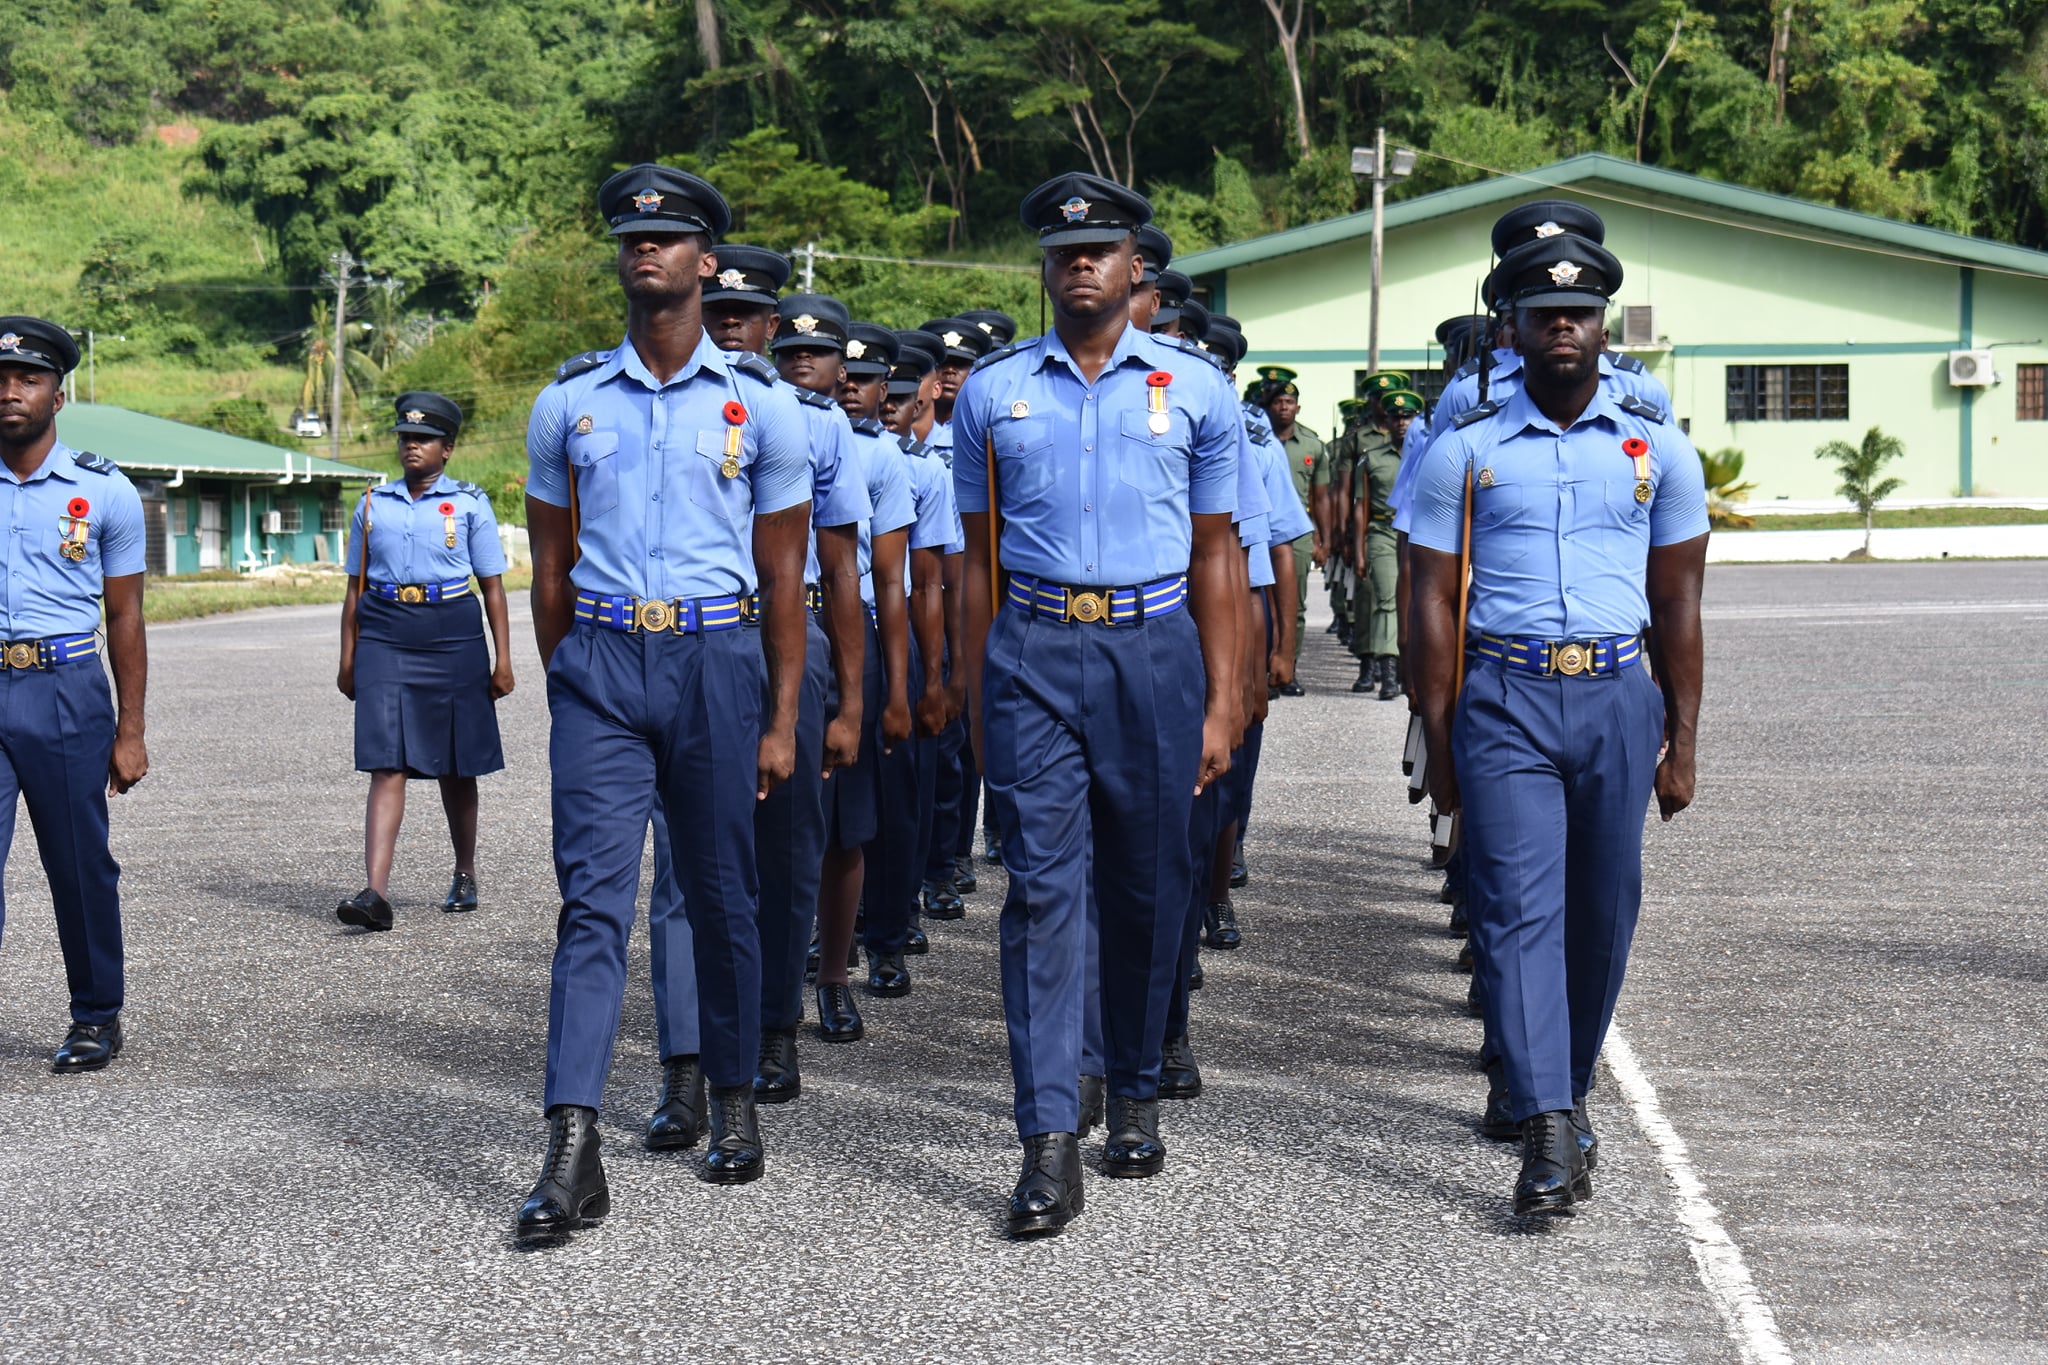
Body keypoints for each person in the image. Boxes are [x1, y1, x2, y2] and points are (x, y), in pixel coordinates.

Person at [517, 164, 814, 1236]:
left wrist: (781, 717)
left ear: (705, 262)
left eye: (667, 237)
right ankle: (569, 1144)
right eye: (630, 236)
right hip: (601, 664)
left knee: (721, 890)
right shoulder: (568, 402)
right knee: (590, 904)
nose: (644, 249)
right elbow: (550, 571)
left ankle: (731, 1100)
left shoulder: (761, 407)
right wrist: (570, 676)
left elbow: (784, 578)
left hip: (715, 662)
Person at [954, 172, 1240, 1238]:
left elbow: (1216, 558)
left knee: (1146, 883)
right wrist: (982, 683)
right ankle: (1043, 1136)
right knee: (1038, 889)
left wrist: (1220, 702)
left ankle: (1127, 1088)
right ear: (1045, 265)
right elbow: (976, 561)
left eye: (1101, 248)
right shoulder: (989, 392)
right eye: (1063, 249)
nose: (1081, 263)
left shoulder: (1197, 391)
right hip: (1030, 645)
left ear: (1133, 268)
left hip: (1153, 645)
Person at [1406, 229, 1707, 1217]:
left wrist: (1682, 738)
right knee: (1511, 907)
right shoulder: (1465, 449)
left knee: (1602, 910)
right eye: (1544, 314)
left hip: (1618, 695)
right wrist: (1437, 730)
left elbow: (1678, 603)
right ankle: (1542, 1122)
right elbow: (1428, 602)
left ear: (1600, 325)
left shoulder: (1656, 448)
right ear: (1516, 328)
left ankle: (1566, 1090)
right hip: (1504, 696)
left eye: (1578, 313)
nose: (1563, 327)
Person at [0, 317, 148, 1074]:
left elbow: (124, 615)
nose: (9, 392)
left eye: (27, 378)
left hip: (65, 687)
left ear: (59, 392)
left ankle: (96, 1015)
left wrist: (131, 728)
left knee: (78, 862)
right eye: (0, 379)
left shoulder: (103, 490)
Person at [336, 393, 512, 931]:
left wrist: (504, 659)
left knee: (456, 762)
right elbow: (353, 590)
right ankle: (375, 892)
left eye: (424, 438)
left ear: (448, 448)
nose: (412, 446)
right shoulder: (372, 504)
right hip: (386, 632)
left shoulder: (470, 504)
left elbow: (493, 589)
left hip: (453, 632)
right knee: (385, 758)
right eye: (405, 438)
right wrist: (347, 659)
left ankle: (464, 871)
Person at [807, 320, 916, 1042]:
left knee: (846, 821)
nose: (846, 385)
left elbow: (891, 579)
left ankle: (836, 973)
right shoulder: (761, 424)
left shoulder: (881, 458)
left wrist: (898, 690)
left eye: (859, 376)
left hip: (849, 630)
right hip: (759, 626)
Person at [1250, 365, 1318, 694]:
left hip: (1290, 529)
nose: (1282, 407)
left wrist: (1324, 538)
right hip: (1273, 535)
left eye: (1288, 401)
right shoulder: (1257, 436)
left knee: (1294, 603)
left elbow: (1324, 495)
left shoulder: (1310, 444)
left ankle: (1286, 661)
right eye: (1276, 401)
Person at [1352, 388, 1420, 701]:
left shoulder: (1428, 453)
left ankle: (1410, 665)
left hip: (1419, 533)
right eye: (1396, 417)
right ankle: (1388, 673)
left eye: (1408, 417)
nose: (1402, 423)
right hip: (1382, 531)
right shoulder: (1371, 458)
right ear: (1387, 420)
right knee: (1387, 599)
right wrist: (1359, 551)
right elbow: (1360, 508)